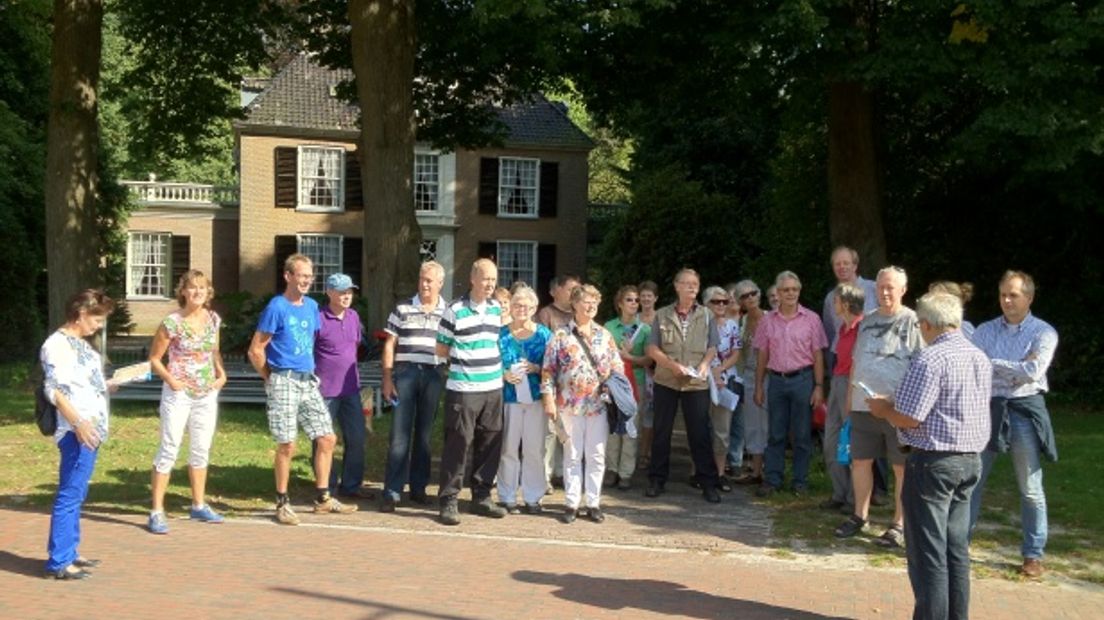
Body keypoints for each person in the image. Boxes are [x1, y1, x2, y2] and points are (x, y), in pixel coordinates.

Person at [866, 291, 991, 620]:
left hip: (934, 462)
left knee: (928, 554)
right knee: (955, 551)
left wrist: (883, 409)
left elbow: (910, 416)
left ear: (926, 323)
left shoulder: (931, 358)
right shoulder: (978, 355)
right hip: (969, 460)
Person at [247, 254, 357, 525]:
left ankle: (323, 498)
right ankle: (282, 502)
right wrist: (269, 377)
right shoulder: (277, 307)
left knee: (327, 438)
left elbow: (314, 342)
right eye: (302, 275)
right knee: (287, 444)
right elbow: (256, 349)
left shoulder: (310, 307)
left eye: (310, 276)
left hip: (308, 379)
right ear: (288, 276)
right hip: (283, 379)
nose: (307, 280)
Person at [969, 270, 1058, 579]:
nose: (1007, 300)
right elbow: (973, 366)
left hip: (1023, 409)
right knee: (972, 481)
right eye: (1003, 294)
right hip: (988, 408)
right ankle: (958, 543)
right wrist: (1013, 368)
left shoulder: (1044, 332)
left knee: (1031, 488)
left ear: (1029, 298)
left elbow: (1033, 371)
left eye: (1014, 295)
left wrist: (992, 363)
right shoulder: (984, 329)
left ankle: (1033, 554)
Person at [834, 266, 923, 547]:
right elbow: (857, 362)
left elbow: (922, 367)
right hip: (863, 406)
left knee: (901, 467)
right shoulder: (868, 321)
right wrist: (850, 398)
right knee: (860, 461)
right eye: (881, 287)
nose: (884, 292)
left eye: (891, 287)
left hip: (897, 409)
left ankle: (899, 524)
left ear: (903, 290)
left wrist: (906, 405)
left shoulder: (914, 322)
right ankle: (860, 516)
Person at [41, 289, 115, 580]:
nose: (99, 325)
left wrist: (107, 385)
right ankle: (59, 561)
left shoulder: (81, 344)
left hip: (91, 428)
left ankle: (69, 551)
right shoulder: (56, 345)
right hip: (77, 431)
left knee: (77, 491)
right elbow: (55, 390)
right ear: (82, 314)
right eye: (97, 319)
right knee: (70, 493)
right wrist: (78, 423)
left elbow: (82, 383)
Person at [147, 271, 228, 534]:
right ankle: (157, 510)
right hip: (179, 393)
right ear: (183, 291)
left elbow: (214, 350)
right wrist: (171, 380)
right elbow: (155, 359)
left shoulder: (213, 319)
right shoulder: (172, 322)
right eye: (192, 288)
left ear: (208, 292)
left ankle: (198, 504)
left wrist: (221, 373)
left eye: (202, 288)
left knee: (201, 449)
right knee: (169, 447)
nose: (197, 292)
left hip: (206, 393)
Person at [541, 284, 624, 523]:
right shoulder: (560, 335)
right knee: (573, 454)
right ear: (574, 304)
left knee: (597, 455)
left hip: (598, 405)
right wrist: (548, 399)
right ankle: (571, 503)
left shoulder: (604, 335)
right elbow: (548, 371)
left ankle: (593, 502)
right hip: (569, 405)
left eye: (595, 302)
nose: (591, 306)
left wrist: (613, 387)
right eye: (586, 301)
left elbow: (617, 366)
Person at [435, 258, 507, 525]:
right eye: (486, 279)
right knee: (458, 444)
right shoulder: (454, 310)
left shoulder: (497, 309)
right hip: (464, 389)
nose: (490, 284)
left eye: (493, 280)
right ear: (473, 279)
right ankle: (449, 500)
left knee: (490, 443)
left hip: (493, 388)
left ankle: (481, 497)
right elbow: (441, 349)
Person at [645, 269, 721, 503]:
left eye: (695, 284)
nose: (691, 288)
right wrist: (670, 364)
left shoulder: (707, 315)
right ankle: (657, 479)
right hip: (667, 380)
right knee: (662, 431)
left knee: (700, 433)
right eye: (686, 284)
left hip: (696, 383)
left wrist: (706, 365)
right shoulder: (662, 314)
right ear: (676, 286)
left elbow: (713, 346)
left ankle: (708, 482)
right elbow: (651, 348)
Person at [379, 261, 448, 512]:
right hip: (405, 374)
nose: (424, 284)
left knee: (425, 436)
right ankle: (392, 491)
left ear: (441, 283)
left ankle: (418, 489)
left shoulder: (448, 311)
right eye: (422, 279)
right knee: (399, 435)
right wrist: (387, 378)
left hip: (433, 374)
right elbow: (389, 345)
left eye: (430, 280)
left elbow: (453, 345)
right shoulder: (402, 308)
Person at [753, 271, 827, 497]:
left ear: (799, 291)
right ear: (778, 293)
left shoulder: (812, 319)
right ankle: (772, 479)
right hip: (776, 380)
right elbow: (763, 355)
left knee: (802, 434)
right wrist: (758, 385)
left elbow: (818, 355)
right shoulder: (767, 320)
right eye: (786, 290)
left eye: (794, 289)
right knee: (776, 433)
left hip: (803, 380)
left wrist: (818, 386)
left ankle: (800, 481)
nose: (790, 294)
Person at [310, 273, 372, 500]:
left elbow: (355, 346)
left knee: (356, 438)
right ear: (329, 293)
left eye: (350, 291)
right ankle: (326, 486)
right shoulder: (318, 319)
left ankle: (351, 485)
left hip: (350, 389)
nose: (347, 296)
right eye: (342, 292)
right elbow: (308, 350)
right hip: (323, 391)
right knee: (322, 441)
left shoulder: (354, 317)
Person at [498, 285, 553, 514]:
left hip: (536, 399)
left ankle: (533, 497)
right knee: (508, 448)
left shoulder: (543, 335)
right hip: (508, 398)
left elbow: (553, 366)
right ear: (510, 307)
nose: (521, 309)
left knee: (534, 449)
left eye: (526, 306)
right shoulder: (500, 334)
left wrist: (536, 367)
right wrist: (504, 374)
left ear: (534, 308)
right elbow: (491, 362)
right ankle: (507, 496)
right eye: (517, 305)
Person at [819, 282, 863, 513]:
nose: (832, 304)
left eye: (836, 301)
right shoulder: (843, 329)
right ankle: (839, 493)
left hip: (852, 386)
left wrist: (851, 395)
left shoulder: (862, 328)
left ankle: (855, 498)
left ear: (846, 303)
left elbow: (859, 363)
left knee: (852, 443)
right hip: (837, 382)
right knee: (832, 441)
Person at [603, 285, 651, 491]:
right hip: (614, 381)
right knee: (613, 426)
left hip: (635, 383)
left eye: (636, 300)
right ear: (620, 303)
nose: (634, 304)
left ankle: (626, 472)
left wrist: (630, 357)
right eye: (629, 300)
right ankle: (612, 469)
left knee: (631, 426)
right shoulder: (609, 327)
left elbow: (649, 359)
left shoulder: (645, 329)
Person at [537, 274, 581, 491]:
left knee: (569, 431)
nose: (575, 294)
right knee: (549, 433)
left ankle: (564, 474)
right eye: (571, 289)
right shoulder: (546, 315)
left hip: (573, 386)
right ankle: (545, 476)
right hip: (552, 382)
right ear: (557, 290)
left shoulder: (578, 315)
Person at [704, 285, 741, 492]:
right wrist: (710, 370)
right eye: (716, 302)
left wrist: (720, 369)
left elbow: (736, 353)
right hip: (702, 379)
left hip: (725, 379)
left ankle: (719, 473)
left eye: (724, 302)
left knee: (722, 429)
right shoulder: (700, 325)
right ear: (707, 304)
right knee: (700, 426)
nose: (720, 305)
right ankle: (698, 471)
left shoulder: (732, 326)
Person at [731, 280, 767, 485]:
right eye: (744, 296)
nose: (750, 298)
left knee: (770, 423)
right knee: (752, 424)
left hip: (770, 375)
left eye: (752, 293)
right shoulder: (742, 323)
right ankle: (755, 471)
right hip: (748, 376)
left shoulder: (771, 318)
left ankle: (769, 470)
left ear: (759, 295)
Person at [820, 246, 878, 357]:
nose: (842, 267)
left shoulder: (874, 289)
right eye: (837, 264)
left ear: (855, 266)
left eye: (846, 263)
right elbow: (829, 332)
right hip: (840, 357)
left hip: (870, 356)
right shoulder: (830, 298)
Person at [635, 280, 660, 468]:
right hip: (637, 370)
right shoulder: (633, 318)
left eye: (649, 296)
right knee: (637, 412)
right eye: (642, 296)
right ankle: (634, 452)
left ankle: (645, 452)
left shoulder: (661, 318)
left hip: (657, 372)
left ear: (656, 298)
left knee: (651, 414)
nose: (645, 299)